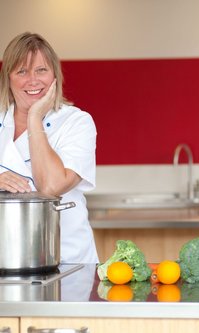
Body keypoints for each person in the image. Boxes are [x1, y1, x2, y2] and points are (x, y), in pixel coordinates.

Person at [0, 32, 99, 264]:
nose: (32, 80)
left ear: (55, 75)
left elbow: (52, 187)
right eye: (22, 71)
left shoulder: (77, 122)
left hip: (67, 262)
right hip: (6, 260)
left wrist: (35, 117)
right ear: (8, 78)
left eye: (41, 70)